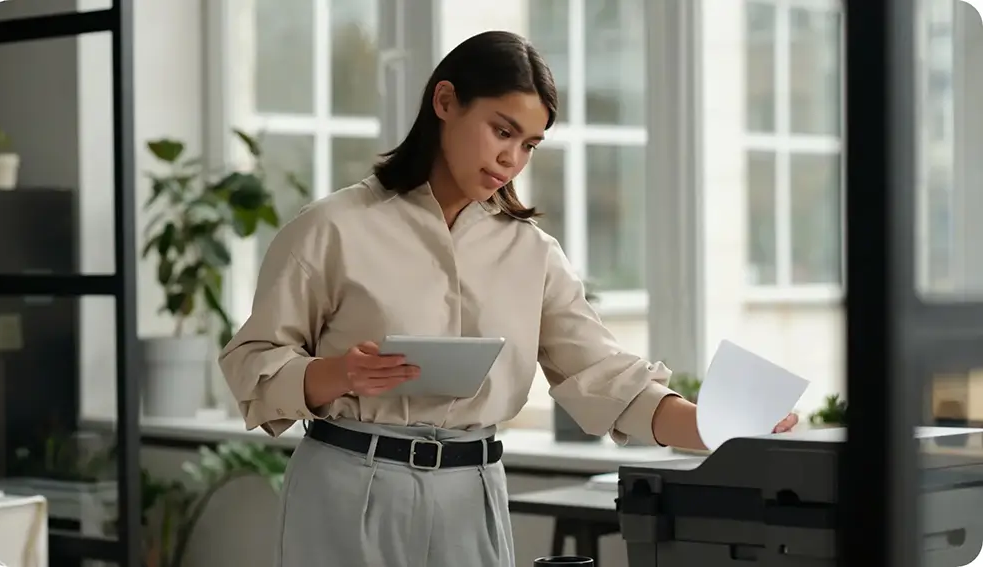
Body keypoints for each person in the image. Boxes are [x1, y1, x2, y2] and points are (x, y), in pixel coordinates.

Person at [219, 30, 797, 567]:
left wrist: (721, 428)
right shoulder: (332, 228)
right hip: (348, 487)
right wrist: (339, 374)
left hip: (473, 496)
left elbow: (606, 379)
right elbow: (251, 362)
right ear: (445, 102)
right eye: (502, 131)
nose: (512, 160)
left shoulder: (532, 254)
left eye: (530, 145)